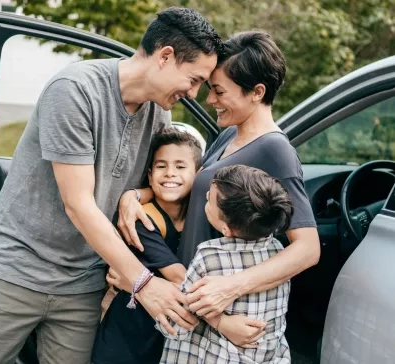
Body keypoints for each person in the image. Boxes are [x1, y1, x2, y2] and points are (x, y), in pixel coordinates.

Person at [0, 7, 224, 364]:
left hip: (82, 283)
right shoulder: (74, 91)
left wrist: (135, 195)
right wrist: (143, 283)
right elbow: (79, 204)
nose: (193, 93)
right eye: (193, 79)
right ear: (165, 57)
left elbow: (153, 180)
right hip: (16, 271)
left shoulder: (158, 112)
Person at [114, 30, 320, 347]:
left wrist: (230, 288)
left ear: (257, 92)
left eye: (219, 92)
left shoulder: (275, 151)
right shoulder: (229, 135)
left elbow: (308, 248)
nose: (210, 100)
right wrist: (134, 196)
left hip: (217, 311)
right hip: (182, 298)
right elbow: (187, 189)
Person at [159, 164, 294, 363]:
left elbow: (180, 321)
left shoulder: (209, 256)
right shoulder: (279, 251)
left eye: (210, 200)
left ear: (226, 228)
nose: (206, 198)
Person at [91, 128, 202, 364]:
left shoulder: (201, 215)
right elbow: (179, 277)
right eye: (162, 166)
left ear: (198, 174)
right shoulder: (141, 219)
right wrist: (226, 321)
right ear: (150, 176)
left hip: (166, 341)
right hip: (126, 339)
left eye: (181, 167)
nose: (170, 174)